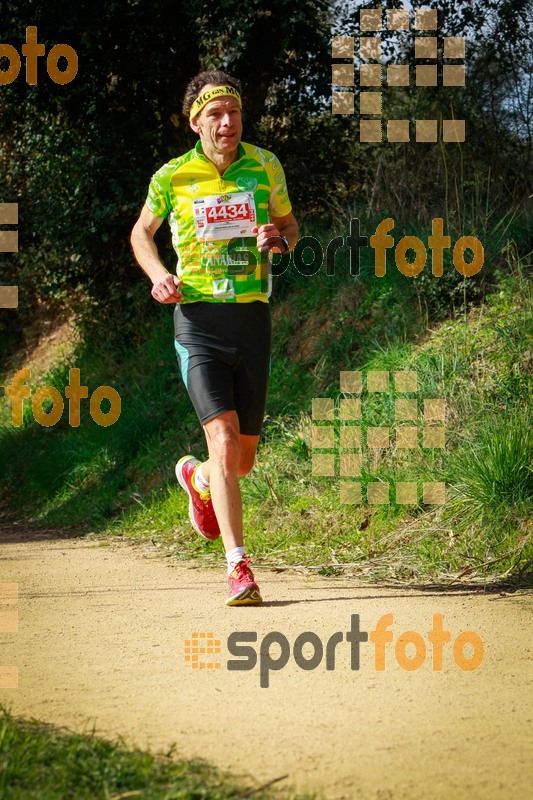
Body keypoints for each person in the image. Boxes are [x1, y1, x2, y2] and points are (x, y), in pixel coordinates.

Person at [130, 70, 298, 606]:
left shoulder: (265, 164)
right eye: (215, 115)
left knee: (241, 461)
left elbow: (291, 226)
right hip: (198, 320)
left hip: (251, 318)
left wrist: (280, 238)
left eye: (235, 113)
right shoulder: (172, 176)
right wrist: (159, 274)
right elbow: (141, 233)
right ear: (195, 122)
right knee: (223, 440)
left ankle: (198, 479)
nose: (228, 124)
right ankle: (238, 567)